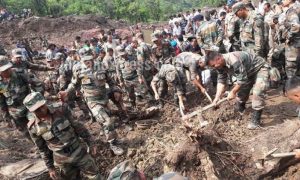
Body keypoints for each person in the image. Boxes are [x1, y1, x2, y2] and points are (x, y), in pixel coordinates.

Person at [23, 92, 103, 180]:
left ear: (45, 102)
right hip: (61, 160)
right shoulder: (33, 127)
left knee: (96, 177)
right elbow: (42, 149)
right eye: (37, 109)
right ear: (31, 111)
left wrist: (91, 143)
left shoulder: (61, 109)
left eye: (42, 106)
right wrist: (50, 168)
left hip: (79, 151)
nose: (41, 110)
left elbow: (78, 126)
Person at [59, 55, 124, 155]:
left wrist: (115, 89)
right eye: (85, 60)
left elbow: (110, 81)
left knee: (109, 120)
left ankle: (114, 139)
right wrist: (66, 92)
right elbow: (74, 84)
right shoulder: (78, 69)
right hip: (92, 101)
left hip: (104, 99)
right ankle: (112, 145)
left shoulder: (101, 65)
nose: (87, 62)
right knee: (107, 121)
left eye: (89, 60)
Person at [206, 51, 270, 129]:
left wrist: (233, 91)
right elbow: (221, 81)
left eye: (213, 65)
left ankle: (255, 121)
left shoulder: (234, 60)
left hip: (259, 69)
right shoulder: (219, 66)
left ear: (218, 58)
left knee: (258, 92)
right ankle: (241, 111)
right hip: (247, 73)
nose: (214, 67)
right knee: (241, 93)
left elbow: (242, 80)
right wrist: (217, 98)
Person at [0, 56, 41, 140]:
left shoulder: (21, 73)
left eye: (8, 68)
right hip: (15, 113)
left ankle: (47, 146)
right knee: (25, 132)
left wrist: (39, 101)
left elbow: (37, 85)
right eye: (4, 70)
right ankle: (39, 147)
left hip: (30, 107)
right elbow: (2, 101)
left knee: (37, 127)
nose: (8, 71)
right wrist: (7, 118)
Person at [282, 0, 300, 79]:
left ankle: (292, 89)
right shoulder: (297, 8)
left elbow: (296, 26)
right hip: (296, 43)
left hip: (293, 44)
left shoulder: (292, 10)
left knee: (291, 70)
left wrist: (288, 37)